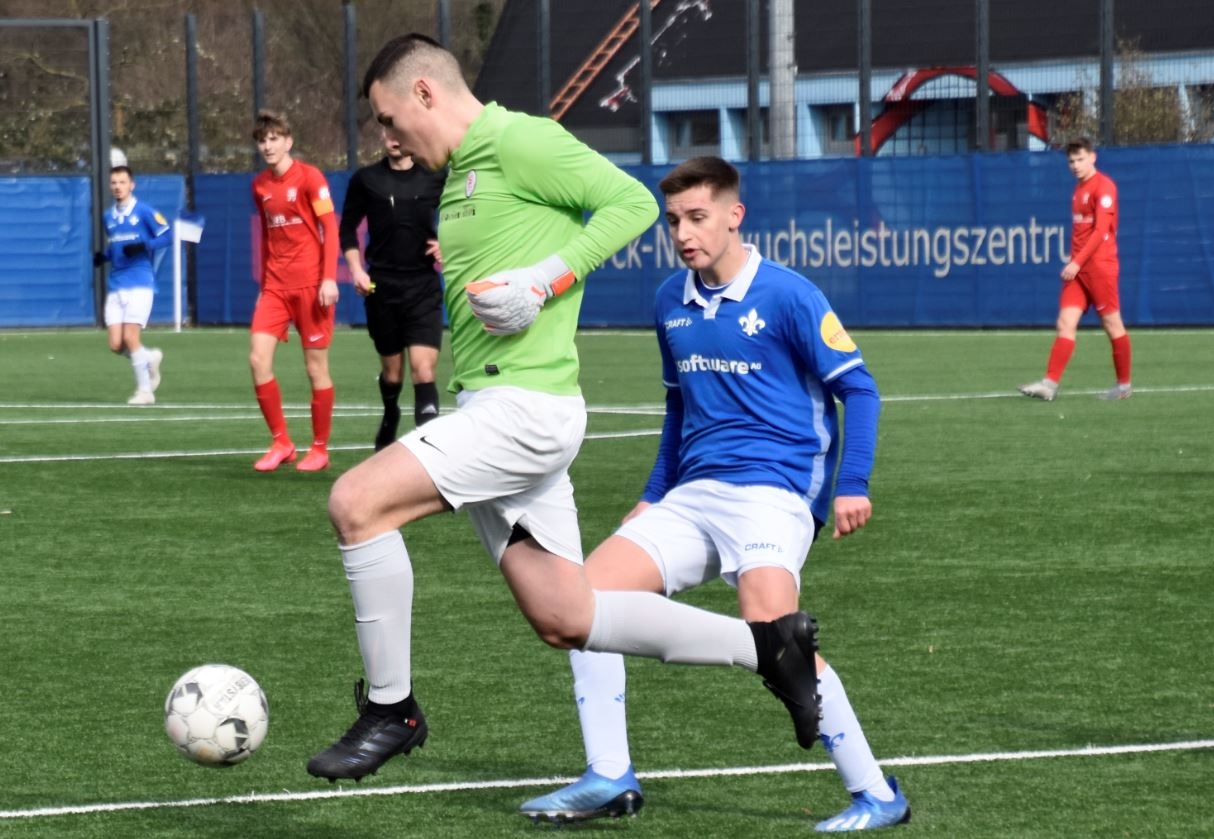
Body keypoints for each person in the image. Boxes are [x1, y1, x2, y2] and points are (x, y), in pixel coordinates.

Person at [306, 34, 825, 790]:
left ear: (424, 92)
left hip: (524, 411)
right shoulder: (459, 175)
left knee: (356, 503)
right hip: (492, 404)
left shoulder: (519, 140)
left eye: (389, 118)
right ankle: (769, 648)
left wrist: (543, 280)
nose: (389, 138)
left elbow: (631, 202)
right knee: (568, 617)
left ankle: (392, 708)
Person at [519, 157, 911, 832]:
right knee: (582, 603)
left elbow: (859, 389)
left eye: (697, 217)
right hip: (693, 493)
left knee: (774, 629)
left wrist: (852, 483)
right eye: (673, 220)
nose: (683, 233)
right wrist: (653, 494)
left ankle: (876, 794)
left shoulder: (788, 295)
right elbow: (678, 409)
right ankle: (609, 774)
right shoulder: (669, 300)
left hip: (775, 492)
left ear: (735, 216)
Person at [340, 131, 448, 450]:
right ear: (382, 135)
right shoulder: (366, 179)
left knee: (423, 369)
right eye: (388, 131)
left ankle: (428, 450)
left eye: (399, 131)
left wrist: (449, 243)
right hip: (382, 289)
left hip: (423, 286)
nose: (394, 138)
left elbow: (466, 214)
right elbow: (347, 229)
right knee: (392, 373)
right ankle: (390, 412)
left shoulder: (436, 176)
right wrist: (356, 270)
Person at [249, 110, 341, 472]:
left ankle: (319, 449)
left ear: (288, 141)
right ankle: (281, 443)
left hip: (311, 287)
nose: (268, 146)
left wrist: (329, 278)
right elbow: (266, 238)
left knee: (315, 368)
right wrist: (263, 285)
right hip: (275, 288)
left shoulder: (310, 178)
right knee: (257, 360)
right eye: (262, 140)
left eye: (274, 139)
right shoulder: (259, 186)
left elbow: (330, 228)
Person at [1019, 136, 1131, 401]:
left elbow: (1100, 231)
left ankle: (1124, 386)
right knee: (1065, 323)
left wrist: (1076, 262)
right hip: (1078, 270)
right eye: (1071, 161)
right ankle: (1049, 385)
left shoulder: (1104, 187)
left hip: (1099, 267)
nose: (1076, 165)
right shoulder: (1078, 190)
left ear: (1093, 157)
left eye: (1080, 159)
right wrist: (1077, 263)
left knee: (1112, 324)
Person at [94, 165, 172, 405]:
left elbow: (167, 235)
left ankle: (145, 392)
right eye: (114, 183)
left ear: (132, 185)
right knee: (115, 344)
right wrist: (104, 256)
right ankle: (148, 358)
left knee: (130, 337)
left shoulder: (144, 211)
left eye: (122, 182)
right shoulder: (108, 217)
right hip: (116, 284)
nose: (118, 187)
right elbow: (117, 245)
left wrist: (145, 246)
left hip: (140, 282)